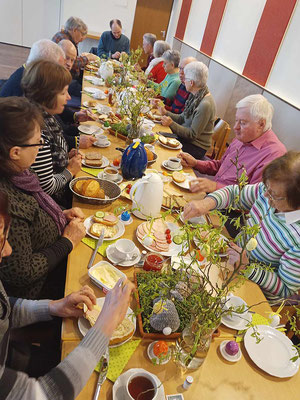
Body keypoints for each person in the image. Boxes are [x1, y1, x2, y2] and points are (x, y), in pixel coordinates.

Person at [0, 190, 135, 399]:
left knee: (58, 352)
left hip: (8, 351)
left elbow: (4, 308)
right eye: (0, 240)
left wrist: (53, 307)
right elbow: (42, 395)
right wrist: (105, 326)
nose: (8, 250)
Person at [183, 151, 300, 302]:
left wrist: (247, 267)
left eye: (274, 195)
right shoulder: (271, 190)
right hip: (230, 259)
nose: (265, 196)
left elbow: (285, 288)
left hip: (252, 292)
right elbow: (234, 194)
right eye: (266, 188)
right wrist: (206, 204)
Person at [0, 97, 86, 299]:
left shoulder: (20, 175)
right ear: (15, 152)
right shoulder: (7, 203)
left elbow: (33, 221)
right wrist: (68, 241)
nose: (41, 148)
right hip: (41, 289)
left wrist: (59, 214)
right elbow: (21, 273)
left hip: (57, 250)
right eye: (38, 143)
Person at [179, 94, 287, 194]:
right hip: (214, 196)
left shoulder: (274, 155)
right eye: (236, 120)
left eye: (243, 123)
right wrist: (195, 163)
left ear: (261, 124)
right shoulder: (244, 137)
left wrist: (214, 186)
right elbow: (221, 167)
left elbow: (252, 198)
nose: (236, 127)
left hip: (229, 210)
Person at [21, 60, 82, 203]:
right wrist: (70, 171)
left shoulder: (46, 115)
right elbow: (47, 187)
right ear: (47, 95)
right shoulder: (36, 131)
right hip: (53, 202)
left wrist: (66, 156)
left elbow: (51, 157)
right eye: (63, 92)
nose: (68, 97)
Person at [160, 61, 216, 159]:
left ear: (191, 82)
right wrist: (166, 112)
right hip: (185, 139)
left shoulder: (205, 104)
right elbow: (182, 118)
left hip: (196, 147)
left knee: (162, 149)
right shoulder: (196, 95)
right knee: (159, 136)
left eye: (185, 79)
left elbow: (192, 134)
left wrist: (171, 124)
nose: (183, 81)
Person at [0, 39, 65, 97]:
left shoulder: (27, 74)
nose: (60, 73)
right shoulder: (27, 88)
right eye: (58, 69)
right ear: (44, 67)